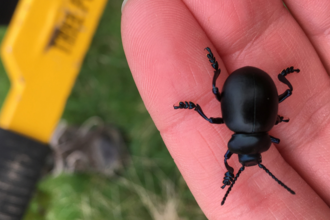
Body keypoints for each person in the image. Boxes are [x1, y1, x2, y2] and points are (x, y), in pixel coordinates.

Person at [121, 0, 330, 218]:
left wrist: (276, 117)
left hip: (257, 84)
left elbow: (271, 128)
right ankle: (222, 77)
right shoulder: (238, 127)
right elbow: (228, 155)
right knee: (214, 97)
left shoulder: (267, 126)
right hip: (251, 82)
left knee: (278, 94)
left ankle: (276, 77)